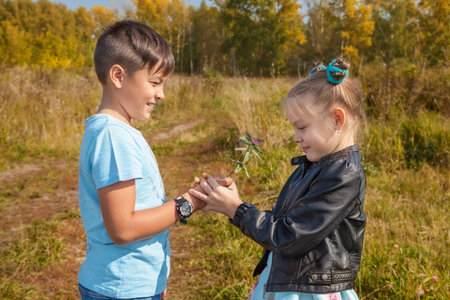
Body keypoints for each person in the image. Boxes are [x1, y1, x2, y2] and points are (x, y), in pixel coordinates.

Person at [77, 20, 230, 300]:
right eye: (155, 82)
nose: (161, 94)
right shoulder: (114, 136)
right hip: (121, 288)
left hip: (129, 284)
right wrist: (189, 203)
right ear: (118, 76)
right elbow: (123, 228)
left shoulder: (114, 131)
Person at [190, 58, 367, 300]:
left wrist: (236, 210)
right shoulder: (316, 165)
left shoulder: (343, 174)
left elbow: (289, 237)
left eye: (302, 127)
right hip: (293, 283)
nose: (296, 137)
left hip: (312, 291)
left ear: (337, 119)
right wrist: (234, 203)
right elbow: (285, 222)